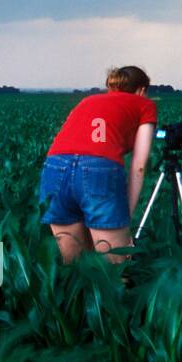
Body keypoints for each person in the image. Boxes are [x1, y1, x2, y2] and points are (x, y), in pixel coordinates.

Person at [39, 66, 157, 263]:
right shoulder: (144, 104)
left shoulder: (88, 100)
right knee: (114, 269)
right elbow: (139, 165)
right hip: (97, 171)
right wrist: (125, 213)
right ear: (142, 90)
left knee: (74, 267)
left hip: (54, 168)